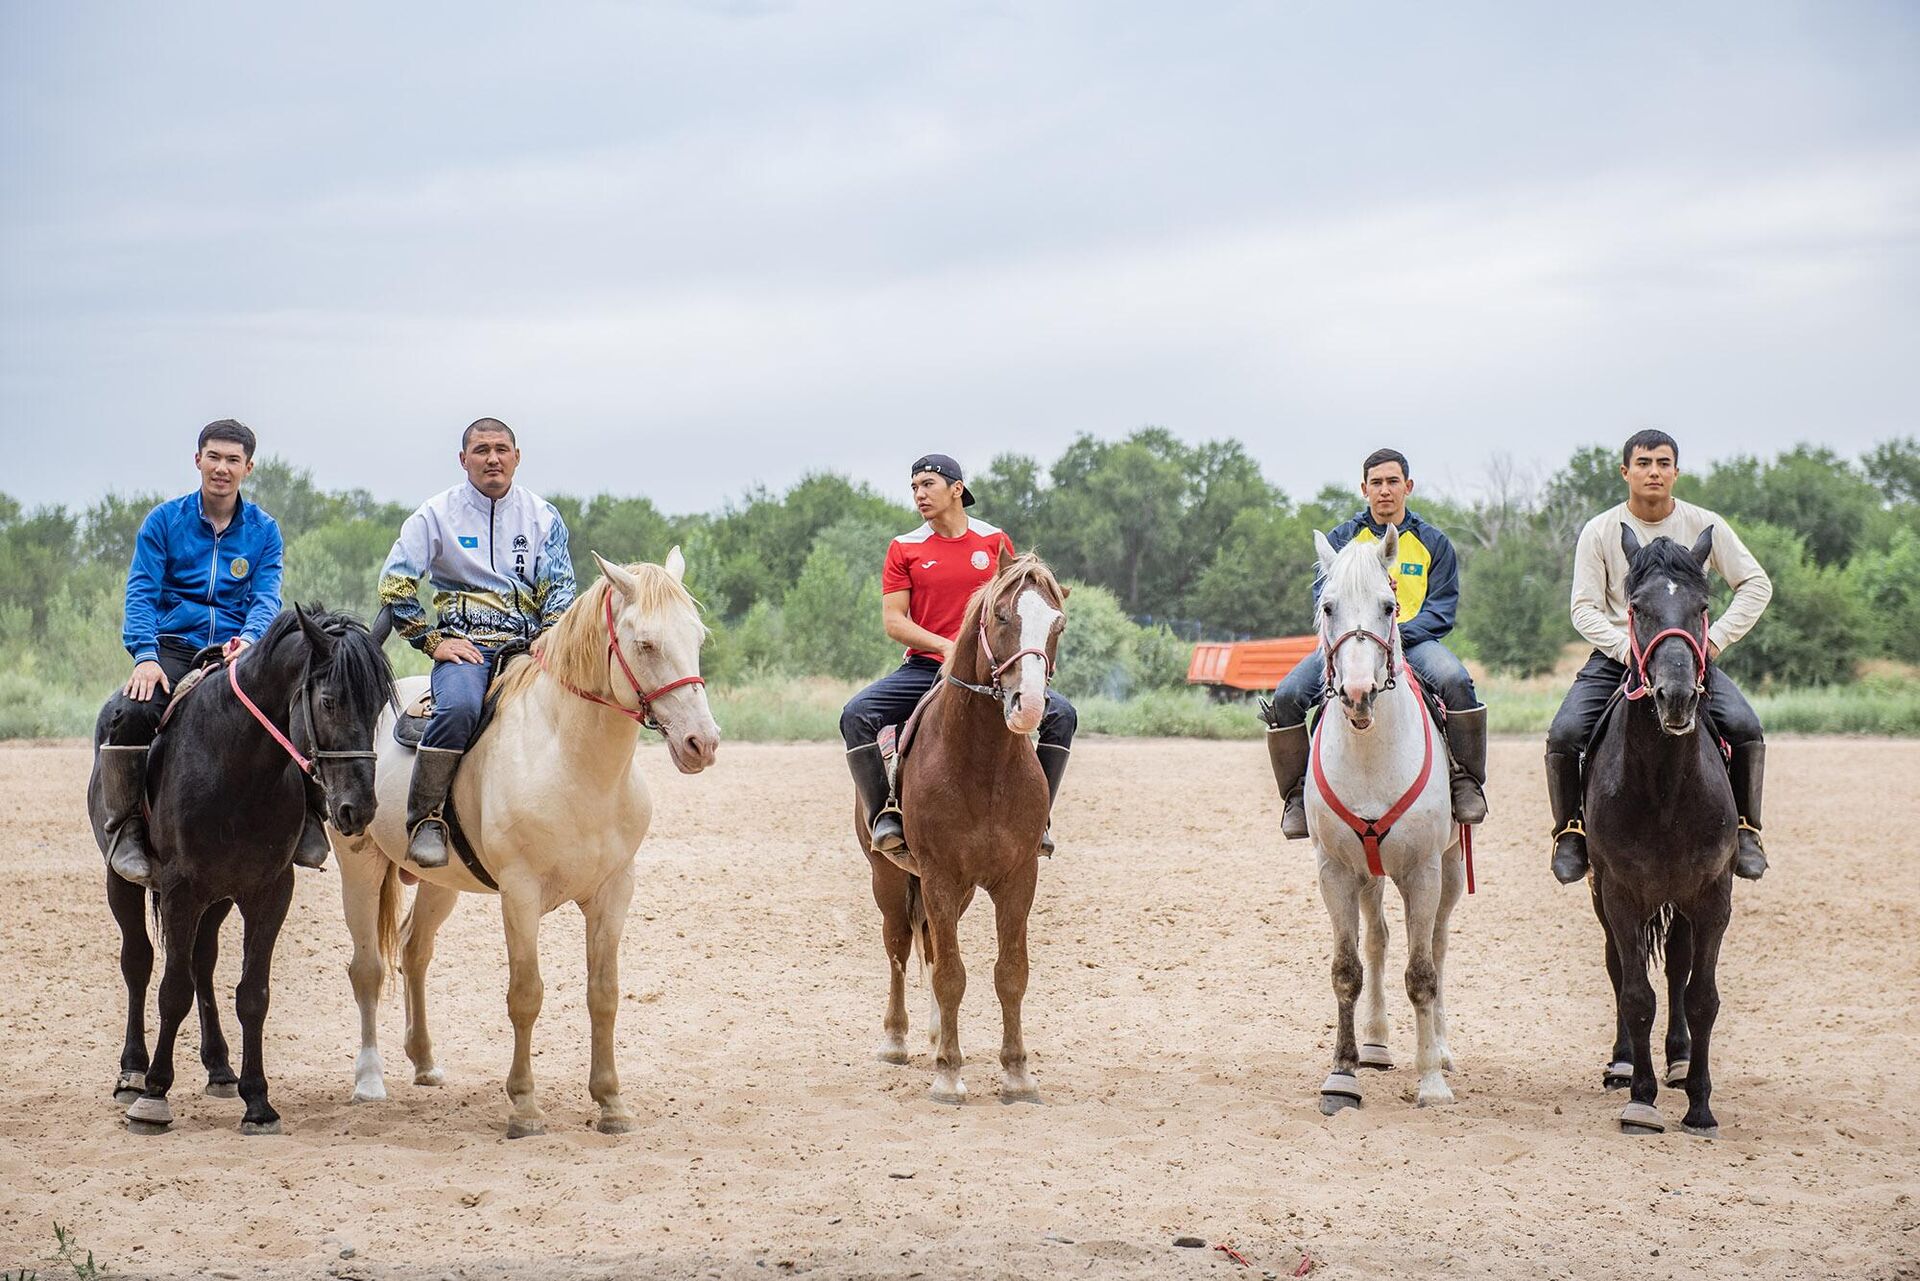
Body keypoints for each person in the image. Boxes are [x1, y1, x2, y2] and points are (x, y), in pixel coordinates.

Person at [97, 419, 328, 887]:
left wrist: (250, 638)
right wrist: (144, 656)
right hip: (173, 650)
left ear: (248, 467)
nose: (222, 468)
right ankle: (128, 830)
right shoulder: (163, 522)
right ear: (198, 459)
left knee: (296, 707)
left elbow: (266, 596)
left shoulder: (264, 531)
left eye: (233, 460)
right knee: (129, 712)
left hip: (238, 650)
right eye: (214, 457)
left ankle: (308, 819)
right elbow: (141, 592)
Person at [1546, 429, 1772, 884]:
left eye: (1663, 463)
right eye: (1644, 463)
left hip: (1689, 658)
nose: (1654, 471)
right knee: (1565, 733)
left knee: (1746, 727)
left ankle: (1747, 829)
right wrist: (1624, 648)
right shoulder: (1601, 530)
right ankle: (1570, 831)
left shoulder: (1705, 523)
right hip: (1619, 656)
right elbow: (1583, 607)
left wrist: (1716, 639)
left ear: (1676, 472)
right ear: (1625, 471)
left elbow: (1756, 584)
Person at [841, 453, 1075, 857]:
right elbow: (894, 622)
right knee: (856, 715)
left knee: (1063, 717)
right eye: (914, 486)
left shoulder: (994, 541)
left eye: (928, 484)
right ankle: (886, 816)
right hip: (927, 667)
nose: (919, 494)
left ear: (957, 489)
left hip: (991, 671)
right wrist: (945, 645)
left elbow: (1013, 604)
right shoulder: (905, 547)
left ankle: (1038, 821)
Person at [377, 418, 576, 867]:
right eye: (481, 450)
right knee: (460, 708)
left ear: (517, 457)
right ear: (463, 459)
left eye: (502, 449)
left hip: (531, 646)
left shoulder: (543, 516)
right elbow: (395, 584)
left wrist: (550, 631)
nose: (492, 458)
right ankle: (426, 819)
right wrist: (432, 643)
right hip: (466, 648)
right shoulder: (434, 514)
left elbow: (562, 585)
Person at [1263, 447, 1488, 837]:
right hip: (1349, 644)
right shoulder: (1342, 539)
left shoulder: (1434, 543)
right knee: (1286, 695)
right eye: (1377, 483)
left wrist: (1397, 634)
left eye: (1393, 482)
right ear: (1364, 489)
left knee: (1456, 680)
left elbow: (1442, 609)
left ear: (1408, 487)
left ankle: (1464, 781)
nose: (1385, 490)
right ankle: (1297, 795)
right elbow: (1324, 602)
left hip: (1414, 642)